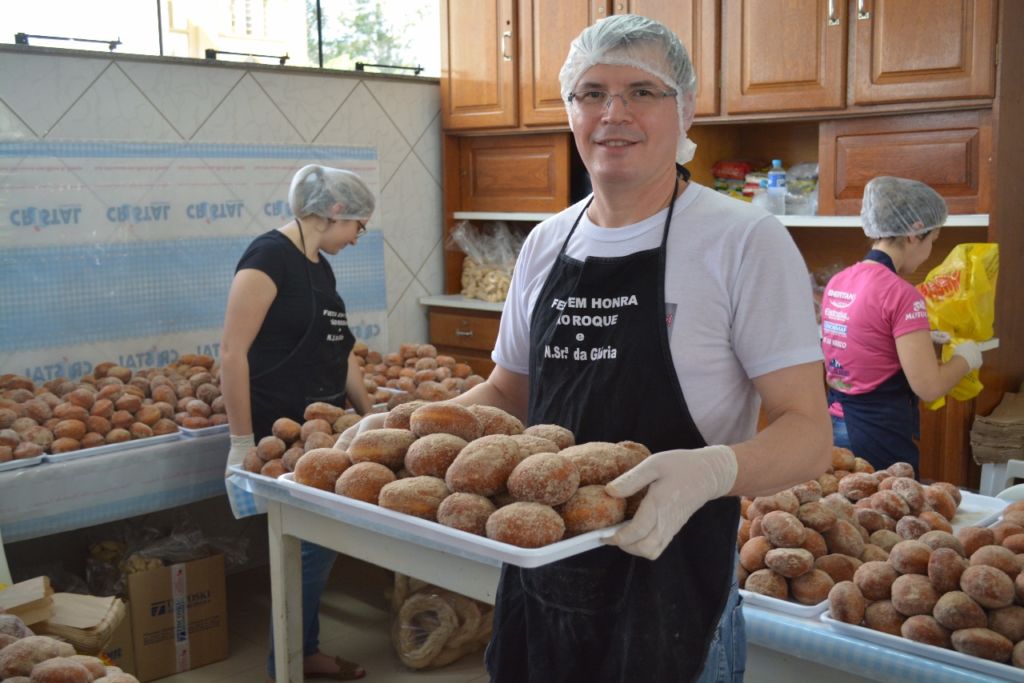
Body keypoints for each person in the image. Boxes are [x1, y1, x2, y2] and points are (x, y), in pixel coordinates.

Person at [340, 14, 830, 682]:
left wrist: (709, 471)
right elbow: (507, 394)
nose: (613, 113)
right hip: (540, 580)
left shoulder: (742, 241)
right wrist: (405, 431)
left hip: (674, 585)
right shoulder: (548, 242)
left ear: (684, 109)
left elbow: (808, 433)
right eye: (592, 92)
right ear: (570, 109)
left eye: (642, 92)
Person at [221, 163, 375, 681]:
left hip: (319, 428)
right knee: (307, 549)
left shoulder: (318, 264)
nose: (358, 237)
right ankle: (287, 662)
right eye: (359, 225)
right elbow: (231, 352)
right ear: (335, 211)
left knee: (318, 546)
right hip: (278, 430)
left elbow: (340, 348)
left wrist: (374, 416)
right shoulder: (269, 257)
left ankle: (302, 650)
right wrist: (241, 440)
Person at [821, 175, 983, 476]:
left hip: (834, 427)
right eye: (933, 240)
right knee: (886, 518)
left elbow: (864, 342)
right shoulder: (902, 294)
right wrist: (966, 359)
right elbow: (929, 387)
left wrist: (917, 338)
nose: (929, 252)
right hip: (877, 437)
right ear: (914, 233)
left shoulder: (839, 280)